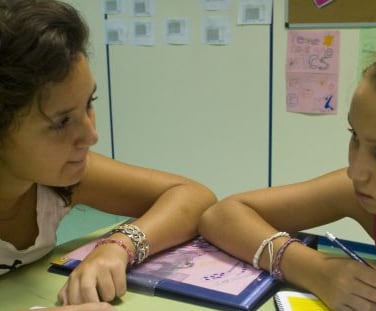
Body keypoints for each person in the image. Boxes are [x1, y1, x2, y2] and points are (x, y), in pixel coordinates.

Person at [0, 0, 216, 310]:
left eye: (89, 102)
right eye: (62, 122)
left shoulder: (59, 178)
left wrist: (118, 245)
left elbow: (194, 196)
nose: (91, 135)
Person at [199, 39, 376, 310]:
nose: (355, 171)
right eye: (355, 136)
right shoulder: (360, 196)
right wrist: (314, 269)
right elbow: (221, 216)